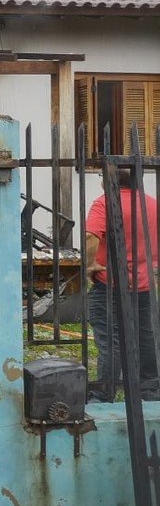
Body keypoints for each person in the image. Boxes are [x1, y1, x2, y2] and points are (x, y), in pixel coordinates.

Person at [85, 167, 159, 403]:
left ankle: (104, 392)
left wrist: (89, 265)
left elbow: (90, 236)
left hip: (111, 283)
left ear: (109, 180)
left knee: (111, 339)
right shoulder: (151, 204)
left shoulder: (105, 202)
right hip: (144, 283)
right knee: (146, 337)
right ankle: (150, 390)